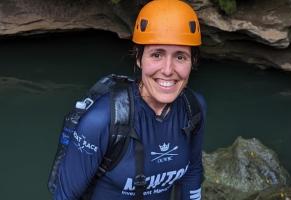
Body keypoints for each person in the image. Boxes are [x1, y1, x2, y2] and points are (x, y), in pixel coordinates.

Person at [50, 0, 206, 199]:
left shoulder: (193, 108)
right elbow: (65, 196)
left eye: (180, 57)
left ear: (192, 62)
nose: (168, 70)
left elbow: (192, 172)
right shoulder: (102, 120)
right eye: (156, 54)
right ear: (139, 58)